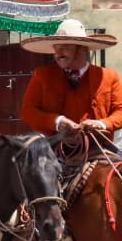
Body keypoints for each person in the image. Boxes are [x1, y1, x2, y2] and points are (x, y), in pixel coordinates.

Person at [19, 18, 122, 148]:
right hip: (54, 148)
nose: (58, 53)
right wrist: (57, 121)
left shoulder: (109, 76)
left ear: (83, 49)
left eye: (65, 47)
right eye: (56, 48)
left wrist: (101, 124)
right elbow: (27, 112)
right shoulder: (42, 75)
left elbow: (120, 111)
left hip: (100, 147)